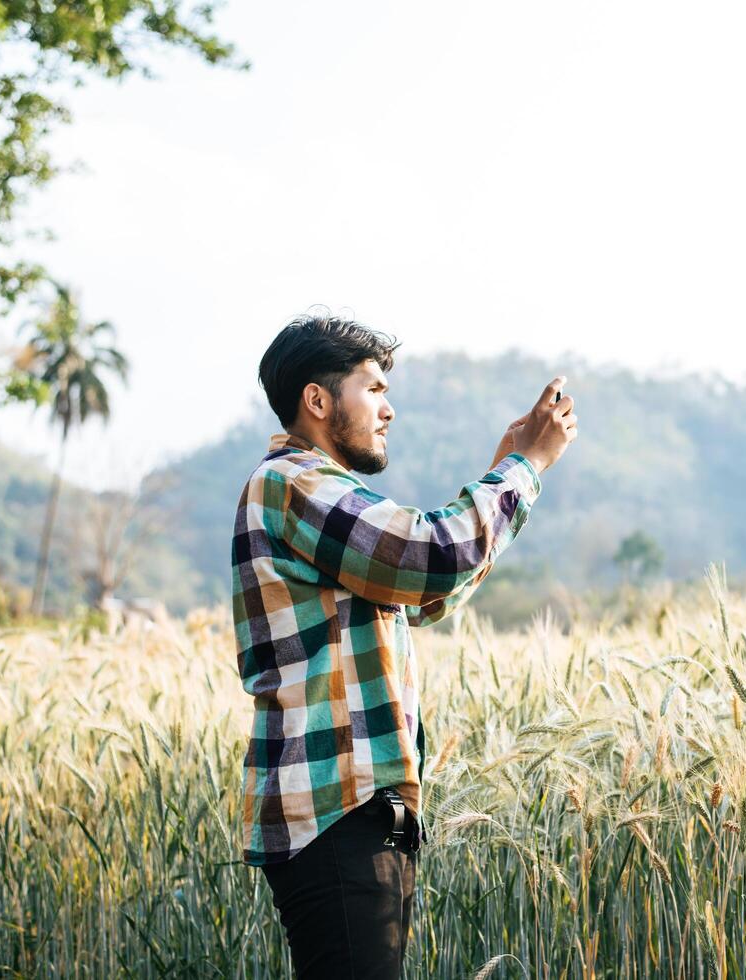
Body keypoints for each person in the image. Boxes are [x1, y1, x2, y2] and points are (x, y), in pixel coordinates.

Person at [230, 309, 577, 978]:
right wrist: (524, 467)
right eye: (374, 389)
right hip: (332, 813)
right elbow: (429, 555)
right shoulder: (294, 484)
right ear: (318, 400)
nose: (388, 411)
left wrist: (502, 471)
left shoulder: (316, 496)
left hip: (354, 815)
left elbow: (423, 591)